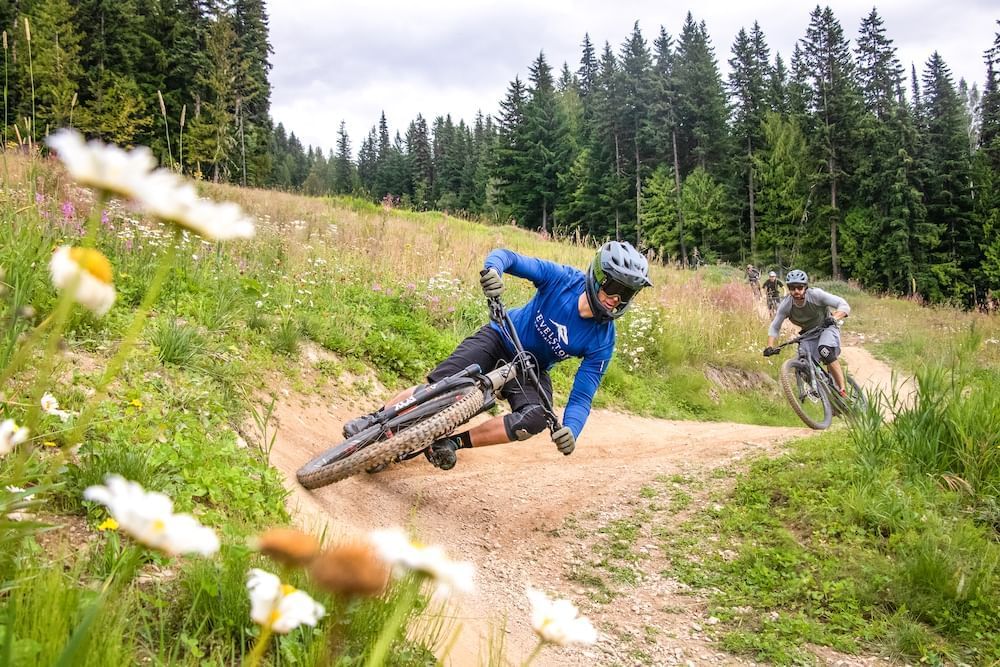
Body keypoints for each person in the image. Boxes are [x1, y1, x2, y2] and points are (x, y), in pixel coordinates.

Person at [342, 241, 653, 470]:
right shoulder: (562, 280)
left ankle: (450, 442)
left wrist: (572, 429)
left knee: (534, 419)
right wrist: (494, 270)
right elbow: (508, 256)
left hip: (530, 367)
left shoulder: (603, 341)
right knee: (441, 383)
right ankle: (375, 421)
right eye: (614, 287)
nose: (617, 299)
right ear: (598, 276)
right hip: (501, 336)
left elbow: (582, 398)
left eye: (628, 293)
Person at [762, 269, 851, 394]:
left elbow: (844, 305)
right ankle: (827, 397)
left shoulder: (816, 295)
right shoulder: (786, 304)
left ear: (805, 287)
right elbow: (775, 326)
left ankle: (842, 390)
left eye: (799, 287)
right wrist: (770, 346)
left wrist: (834, 318)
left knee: (824, 350)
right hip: (809, 333)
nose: (796, 291)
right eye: (792, 288)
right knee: (803, 367)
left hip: (827, 327)